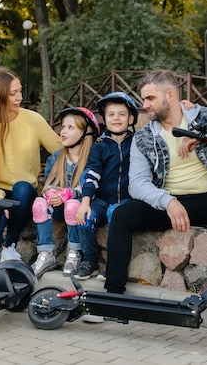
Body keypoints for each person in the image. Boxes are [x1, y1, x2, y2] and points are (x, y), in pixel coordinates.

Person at [104, 69, 207, 294]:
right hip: (170, 203)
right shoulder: (143, 137)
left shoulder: (205, 116)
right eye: (144, 99)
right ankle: (113, 292)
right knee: (122, 215)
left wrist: (205, 134)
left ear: (170, 96)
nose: (145, 104)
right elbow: (136, 183)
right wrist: (167, 201)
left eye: (150, 98)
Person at [0, 68, 62, 268]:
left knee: (22, 187)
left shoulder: (33, 120)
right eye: (13, 93)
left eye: (20, 91)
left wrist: (87, 140)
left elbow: (60, 149)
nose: (20, 97)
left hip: (24, 194)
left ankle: (9, 245)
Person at [73, 92, 138, 280]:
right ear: (105, 118)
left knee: (115, 215)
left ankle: (113, 265)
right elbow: (92, 174)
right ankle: (89, 260)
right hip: (101, 199)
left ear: (131, 118)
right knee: (86, 216)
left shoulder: (136, 143)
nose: (116, 118)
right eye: (111, 114)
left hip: (126, 199)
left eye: (122, 114)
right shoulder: (100, 145)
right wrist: (85, 202)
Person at [31, 107, 100, 278]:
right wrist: (51, 194)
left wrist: (70, 193)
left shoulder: (92, 158)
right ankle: (46, 254)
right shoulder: (55, 158)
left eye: (70, 128)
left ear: (86, 132)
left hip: (78, 207)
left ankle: (74, 252)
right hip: (58, 207)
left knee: (71, 205)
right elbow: (48, 185)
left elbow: (91, 187)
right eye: (63, 127)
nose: (63, 131)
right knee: (39, 204)